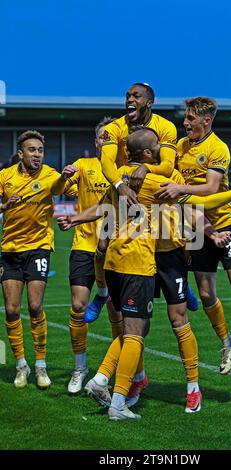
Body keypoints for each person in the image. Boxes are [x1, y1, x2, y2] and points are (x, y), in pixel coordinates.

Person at [58, 128, 231, 419]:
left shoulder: (121, 179)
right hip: (140, 259)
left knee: (166, 320)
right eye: (158, 145)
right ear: (147, 152)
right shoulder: (158, 181)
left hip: (152, 256)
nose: (164, 148)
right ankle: (122, 389)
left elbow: (104, 209)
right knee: (137, 330)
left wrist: (207, 234)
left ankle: (189, 386)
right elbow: (200, 204)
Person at [154, 97, 231, 373]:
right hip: (196, 227)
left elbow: (211, 189)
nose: (185, 123)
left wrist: (180, 191)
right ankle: (227, 341)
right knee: (206, 295)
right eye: (185, 118)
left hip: (225, 224)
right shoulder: (180, 147)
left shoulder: (218, 148)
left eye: (191, 119)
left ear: (206, 121)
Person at [89, 83, 199, 318]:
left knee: (178, 238)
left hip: (151, 191)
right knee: (101, 247)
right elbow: (106, 162)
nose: (130, 98)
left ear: (148, 102)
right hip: (120, 193)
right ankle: (101, 293)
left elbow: (168, 167)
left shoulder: (165, 127)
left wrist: (146, 168)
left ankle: (182, 283)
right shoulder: (114, 128)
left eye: (136, 96)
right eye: (128, 95)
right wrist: (120, 185)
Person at [0, 130, 77, 389]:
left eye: (40, 150)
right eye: (32, 150)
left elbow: (58, 189)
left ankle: (41, 366)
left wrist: (66, 178)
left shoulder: (52, 174)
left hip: (38, 248)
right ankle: (21, 365)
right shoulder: (5, 176)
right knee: (11, 309)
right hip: (10, 250)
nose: (37, 154)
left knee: (34, 307)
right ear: (20, 154)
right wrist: (4, 207)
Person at [59, 118, 123, 395]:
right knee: (78, 306)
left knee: (117, 314)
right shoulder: (84, 166)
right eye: (101, 137)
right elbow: (61, 188)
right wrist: (64, 176)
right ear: (95, 141)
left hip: (115, 248)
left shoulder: (121, 171)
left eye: (109, 137)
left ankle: (119, 370)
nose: (105, 141)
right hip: (85, 245)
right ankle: (80, 367)